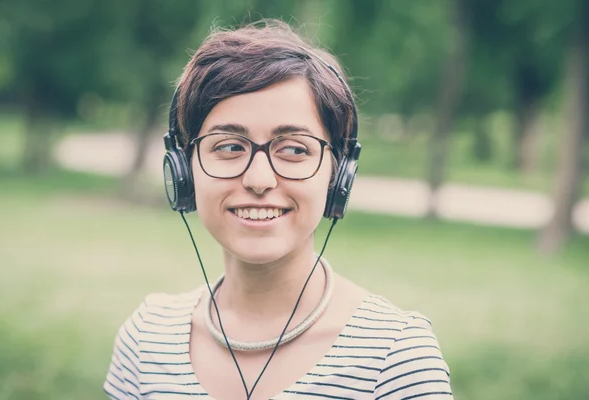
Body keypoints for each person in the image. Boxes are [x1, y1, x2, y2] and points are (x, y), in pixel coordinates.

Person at [104, 19, 453, 400]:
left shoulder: (396, 356)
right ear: (184, 169)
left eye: (294, 148)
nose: (259, 179)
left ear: (339, 175)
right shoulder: (146, 340)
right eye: (229, 146)